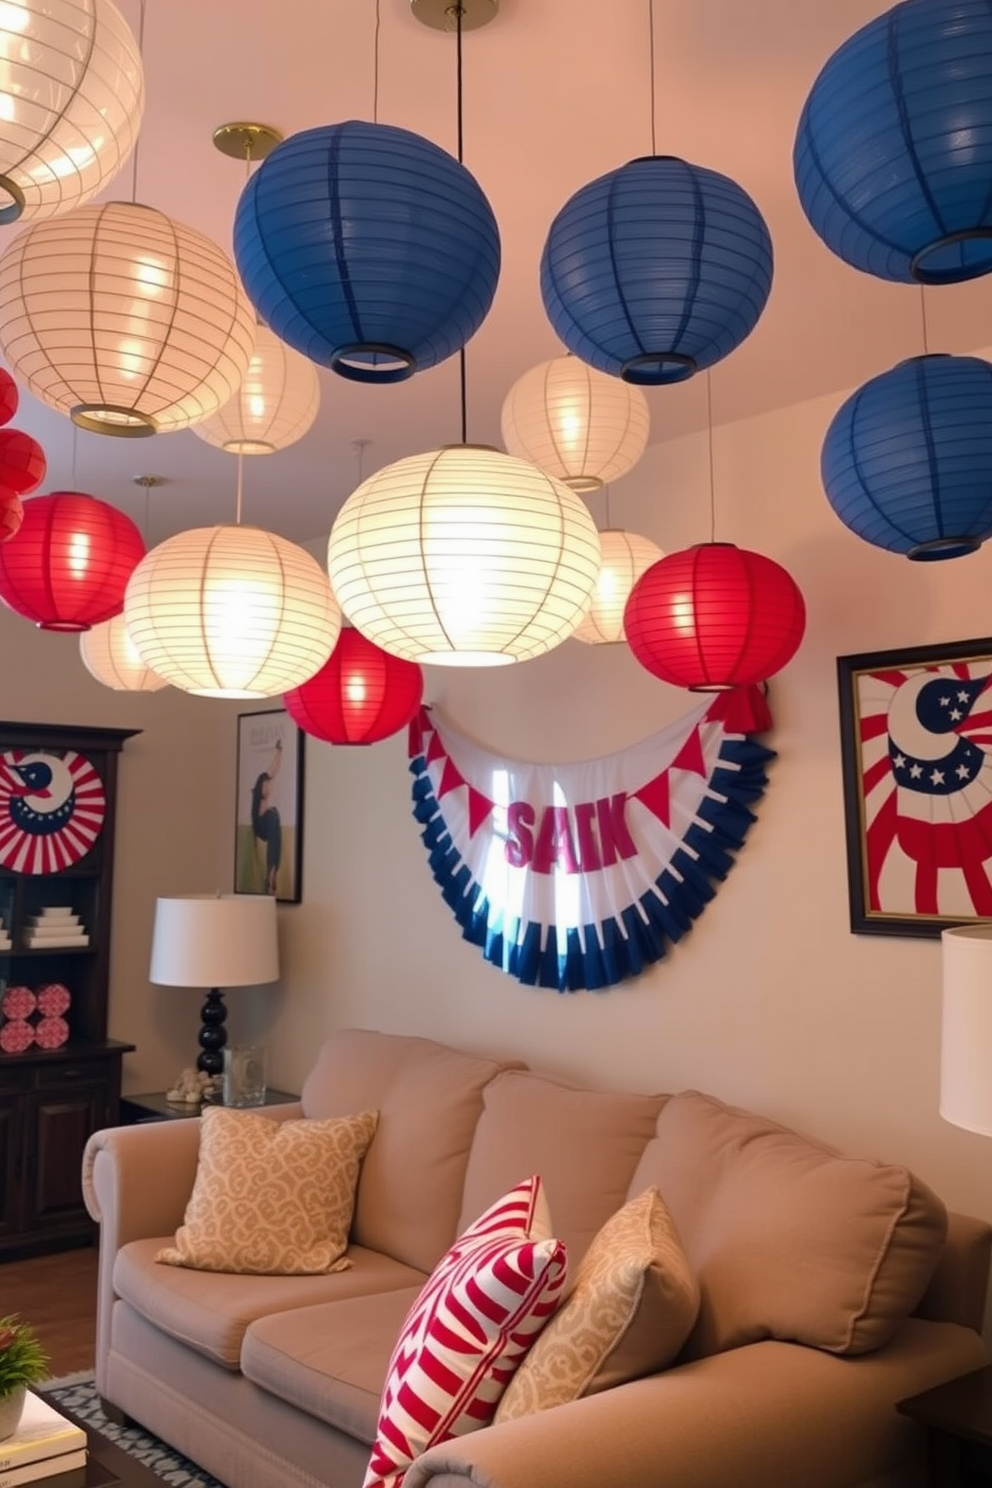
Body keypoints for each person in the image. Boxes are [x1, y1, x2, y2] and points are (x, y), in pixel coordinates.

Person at [250, 739, 283, 895]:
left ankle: (273, 871)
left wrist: (279, 752)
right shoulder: (258, 802)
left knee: (275, 816)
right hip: (261, 827)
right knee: (274, 814)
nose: (268, 787)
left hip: (269, 827)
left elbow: (275, 769)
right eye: (265, 785)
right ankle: (272, 869)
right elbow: (271, 770)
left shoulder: (268, 802)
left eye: (268, 784)